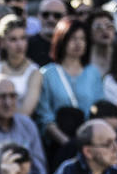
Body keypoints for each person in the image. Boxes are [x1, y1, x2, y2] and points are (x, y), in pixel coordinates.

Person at [36, 16, 104, 148]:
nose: (78, 43)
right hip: (60, 143)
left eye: (82, 39)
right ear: (62, 40)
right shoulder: (47, 73)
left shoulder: (93, 72)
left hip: (90, 141)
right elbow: (44, 116)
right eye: (73, 38)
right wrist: (68, 144)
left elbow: (100, 108)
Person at [0, 14, 43, 119]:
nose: (20, 44)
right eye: (13, 39)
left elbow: (26, 112)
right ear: (2, 42)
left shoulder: (35, 72)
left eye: (23, 38)